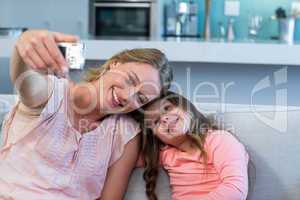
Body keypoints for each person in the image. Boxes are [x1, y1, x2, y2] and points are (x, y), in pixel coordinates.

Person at [0, 30, 173, 199]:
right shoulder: (52, 93)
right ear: (115, 63)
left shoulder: (125, 134)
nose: (127, 96)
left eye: (140, 98)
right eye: (130, 79)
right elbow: (26, 81)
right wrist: (25, 45)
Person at [139, 91, 249, 200]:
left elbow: (235, 190)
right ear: (156, 137)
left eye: (167, 108)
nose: (164, 119)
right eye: (156, 121)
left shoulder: (219, 140)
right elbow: (124, 155)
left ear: (185, 107)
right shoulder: (166, 154)